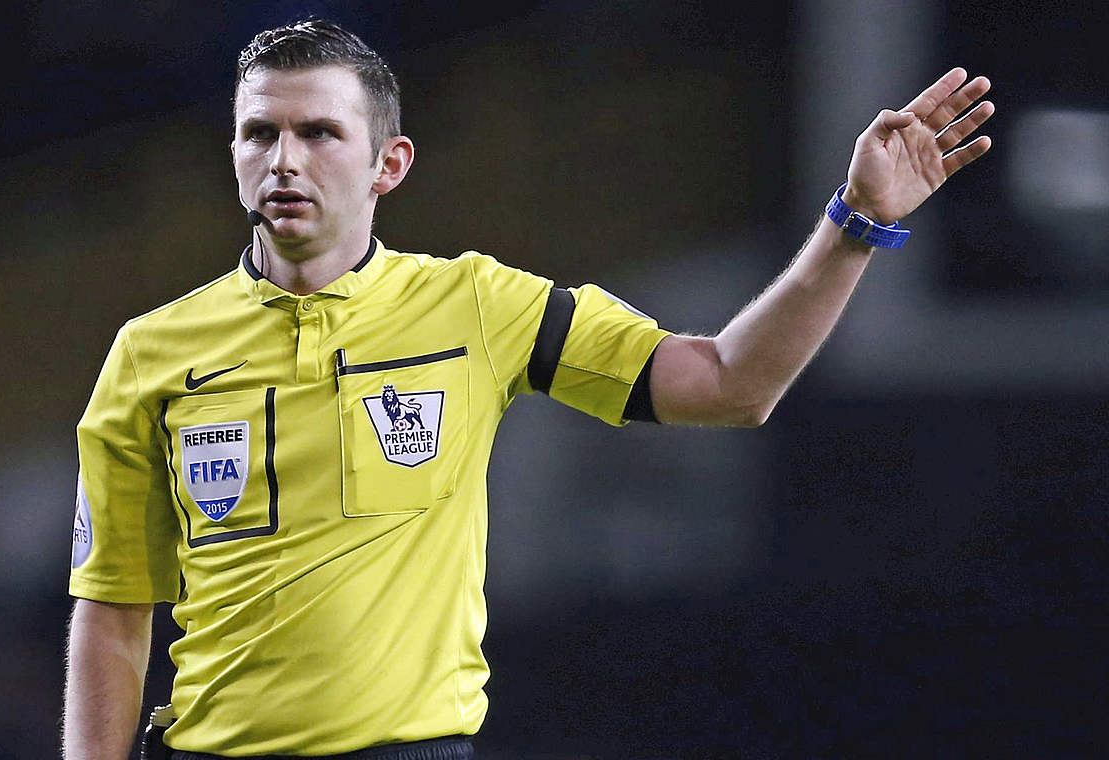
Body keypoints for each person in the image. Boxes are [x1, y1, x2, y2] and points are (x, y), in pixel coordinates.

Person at [62, 19, 994, 760]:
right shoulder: (151, 352)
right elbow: (112, 610)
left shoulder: (478, 305)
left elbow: (728, 383)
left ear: (390, 164)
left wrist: (857, 224)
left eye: (318, 132)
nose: (285, 160)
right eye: (259, 133)